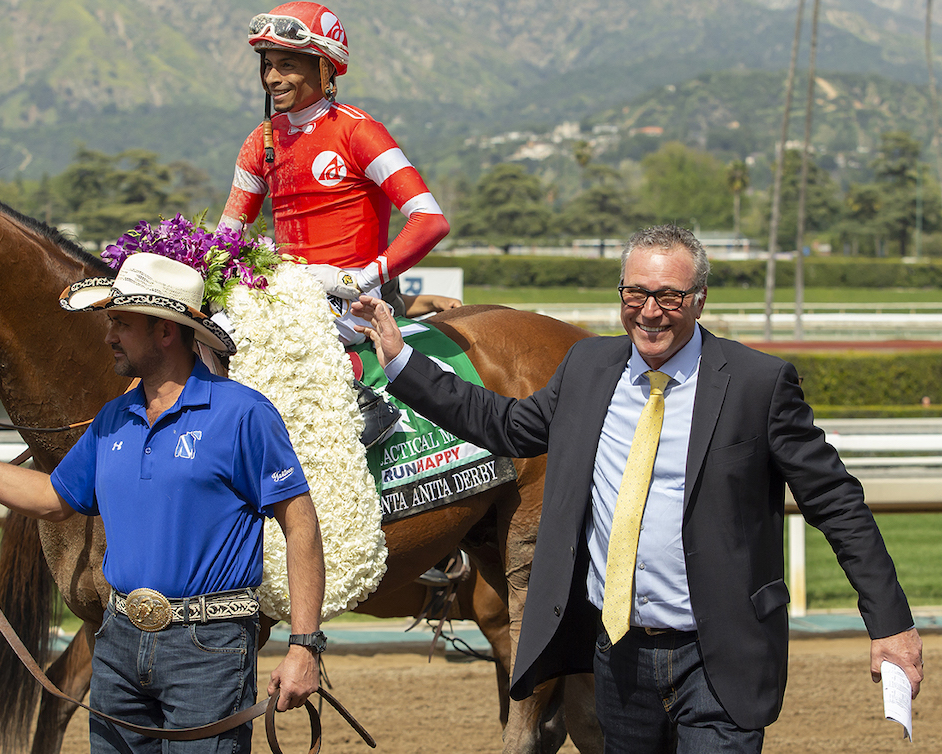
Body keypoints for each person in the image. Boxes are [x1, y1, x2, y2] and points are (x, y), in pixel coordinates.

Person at [352, 224, 923, 752]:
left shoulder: (758, 383)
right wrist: (403, 361)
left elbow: (836, 501)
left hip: (719, 656)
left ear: (699, 300)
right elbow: (503, 425)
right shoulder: (586, 368)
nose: (650, 312)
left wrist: (891, 623)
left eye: (669, 297)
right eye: (635, 295)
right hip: (617, 657)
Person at [0, 252, 326, 754]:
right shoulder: (112, 418)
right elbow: (51, 497)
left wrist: (304, 645)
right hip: (117, 643)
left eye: (120, 322)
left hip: (210, 649)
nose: (107, 336)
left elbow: (301, 526)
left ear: (165, 330)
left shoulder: (244, 413)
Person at [218, 1, 451, 346]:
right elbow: (226, 239)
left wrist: (358, 279)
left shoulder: (360, 132)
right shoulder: (258, 141)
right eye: (268, 65)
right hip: (286, 296)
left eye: (287, 65)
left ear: (324, 69)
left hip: (353, 305)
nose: (272, 78)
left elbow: (430, 220)